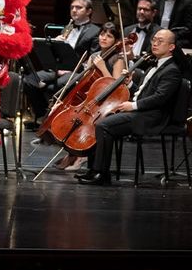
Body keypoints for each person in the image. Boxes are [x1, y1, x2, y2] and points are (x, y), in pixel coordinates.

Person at [76, 29, 184, 185]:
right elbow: (142, 93)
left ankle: (101, 174)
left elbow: (160, 98)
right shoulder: (154, 65)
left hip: (153, 117)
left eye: (160, 41)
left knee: (103, 125)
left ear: (171, 47)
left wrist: (133, 106)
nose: (154, 43)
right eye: (154, 39)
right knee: (96, 121)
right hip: (142, 112)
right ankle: (93, 170)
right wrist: (130, 84)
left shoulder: (172, 70)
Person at [53, 23, 128, 171]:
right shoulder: (94, 56)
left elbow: (116, 88)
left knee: (86, 123)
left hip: (108, 103)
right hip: (91, 99)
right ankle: (73, 152)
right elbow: (86, 82)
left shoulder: (118, 59)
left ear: (116, 40)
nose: (104, 38)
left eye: (109, 36)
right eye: (102, 34)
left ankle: (81, 156)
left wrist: (102, 67)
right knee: (61, 112)